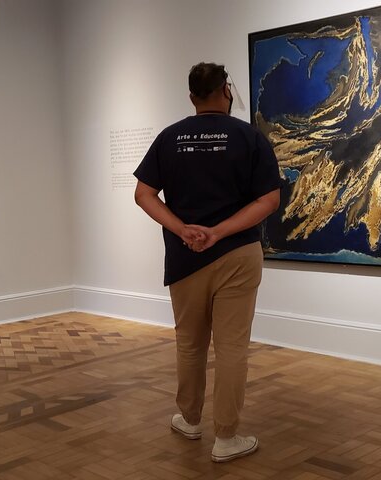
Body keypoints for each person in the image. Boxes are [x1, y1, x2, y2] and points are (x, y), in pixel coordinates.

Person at [133, 62, 281, 463]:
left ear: (191, 96)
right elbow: (269, 200)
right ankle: (226, 438)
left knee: (190, 343)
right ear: (226, 91)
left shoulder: (170, 137)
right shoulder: (249, 136)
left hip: (186, 257)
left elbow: (143, 194)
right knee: (232, 348)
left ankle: (190, 419)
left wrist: (184, 230)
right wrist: (219, 231)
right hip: (237, 254)